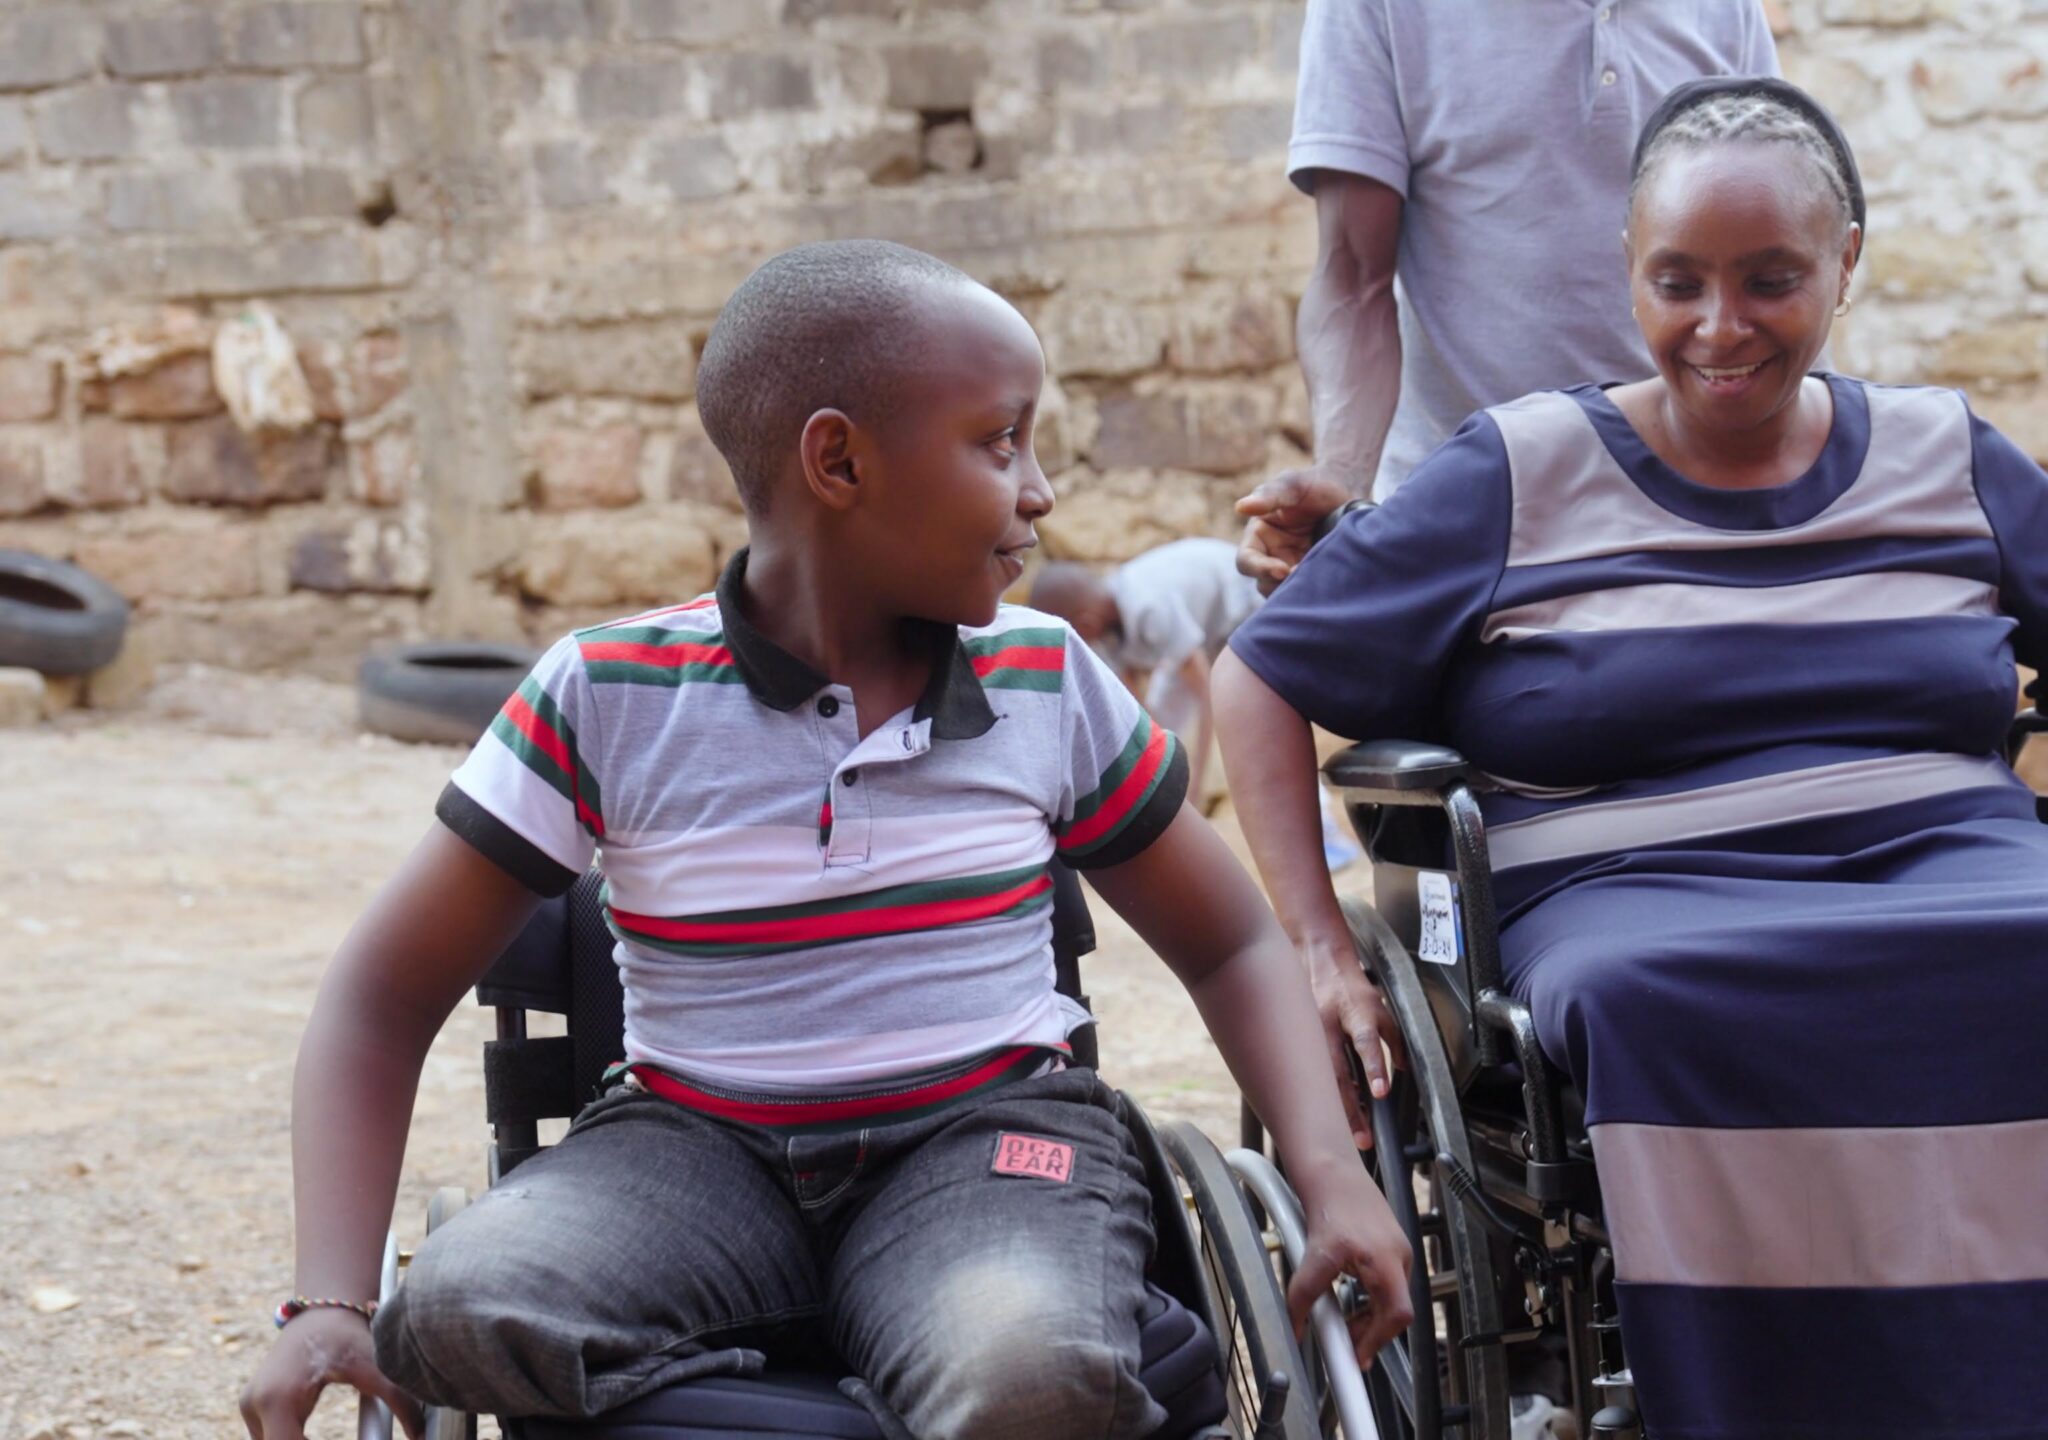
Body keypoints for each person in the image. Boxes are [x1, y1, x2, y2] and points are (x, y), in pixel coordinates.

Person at [1212, 80, 2048, 1438]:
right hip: (1632, 881)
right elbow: (1260, 675)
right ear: (1628, 277)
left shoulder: (1946, 452)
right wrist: (1316, 945)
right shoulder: (1519, 471)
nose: (1721, 324)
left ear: (1845, 267)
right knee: (1658, 995)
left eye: (1772, 280)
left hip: (1955, 849)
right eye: (1678, 281)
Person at [237, 241, 1411, 1440]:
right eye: (1002, 441)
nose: (1041, 489)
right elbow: (380, 999)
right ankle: (886, 1342)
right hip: (697, 1152)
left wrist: (1329, 1181)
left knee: (1025, 1371)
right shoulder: (607, 692)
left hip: (982, 1144)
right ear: (839, 460)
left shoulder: (1044, 680)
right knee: (448, 1314)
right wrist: (328, 1298)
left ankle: (916, 1338)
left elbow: (1230, 949)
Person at [1237, 0, 1783, 588]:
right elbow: (1352, 274)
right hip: (1471, 529)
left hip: (1694, 515)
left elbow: (1771, 252)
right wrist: (1344, 479)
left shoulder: (1727, 10)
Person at [1029, 538, 1262, 812]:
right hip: (1201, 637)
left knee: (1239, 711)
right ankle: (1172, 802)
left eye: (1074, 638)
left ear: (1085, 624)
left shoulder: (1149, 609)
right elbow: (1138, 715)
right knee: (1163, 722)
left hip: (1246, 601)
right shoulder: (1105, 630)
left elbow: (1207, 698)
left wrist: (1197, 787)